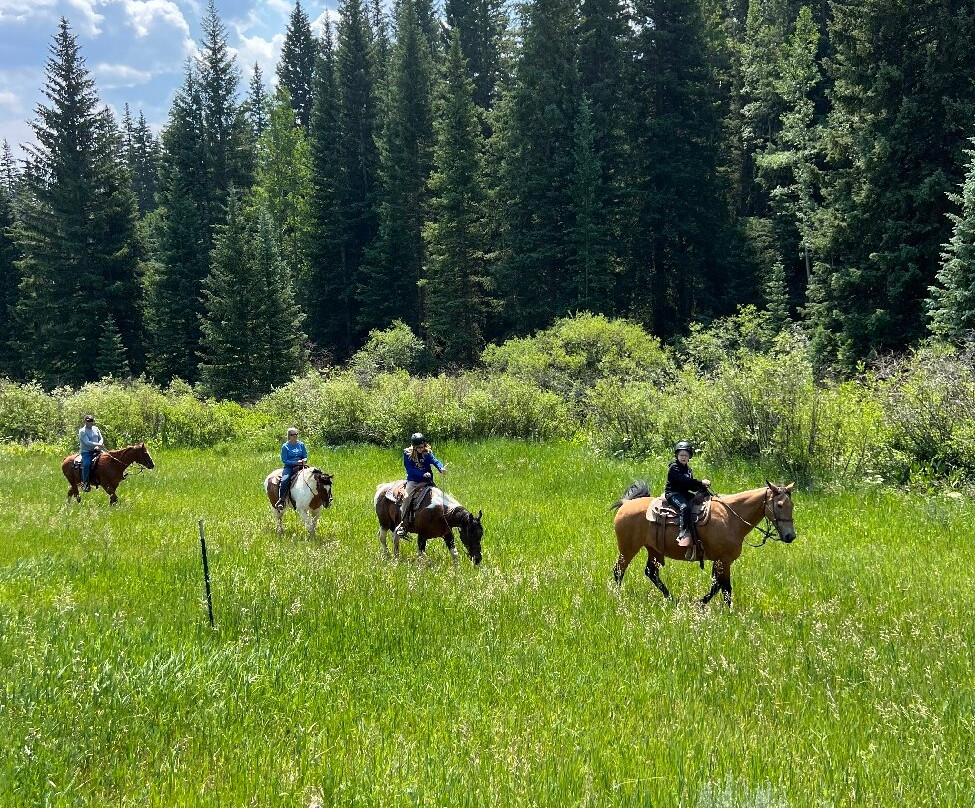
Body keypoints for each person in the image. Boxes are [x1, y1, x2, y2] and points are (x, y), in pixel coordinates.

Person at [394, 432, 446, 538]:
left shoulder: (427, 452)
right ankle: (403, 524)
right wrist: (422, 474)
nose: (421, 449)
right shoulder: (407, 454)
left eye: (422, 446)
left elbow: (435, 461)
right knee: (407, 498)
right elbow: (410, 469)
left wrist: (441, 468)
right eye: (419, 447)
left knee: (439, 497)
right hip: (413, 481)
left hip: (427, 481)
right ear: (414, 447)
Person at [664, 440, 711, 558]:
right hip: (673, 494)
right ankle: (683, 531)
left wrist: (702, 487)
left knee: (703, 498)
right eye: (681, 455)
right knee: (684, 507)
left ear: (689, 456)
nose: (683, 457)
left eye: (686, 455)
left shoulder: (688, 470)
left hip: (684, 493)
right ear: (677, 456)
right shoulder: (674, 468)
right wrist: (700, 482)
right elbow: (683, 481)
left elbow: (690, 485)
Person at [275, 427, 308, 510]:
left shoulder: (301, 444)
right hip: (289, 467)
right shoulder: (285, 446)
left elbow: (305, 456)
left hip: (301, 466)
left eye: (296, 434)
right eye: (293, 435)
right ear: (289, 436)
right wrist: (295, 463)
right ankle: (281, 500)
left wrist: (304, 460)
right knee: (285, 480)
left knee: (313, 476)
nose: (295, 436)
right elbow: (284, 460)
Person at [78, 414, 105, 492]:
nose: (89, 422)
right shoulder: (82, 431)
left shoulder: (96, 429)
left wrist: (100, 444)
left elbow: (101, 438)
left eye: (91, 421)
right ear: (85, 421)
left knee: (108, 458)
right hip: (87, 452)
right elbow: (87, 442)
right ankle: (85, 483)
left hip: (97, 450)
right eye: (88, 421)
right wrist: (98, 444)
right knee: (87, 464)